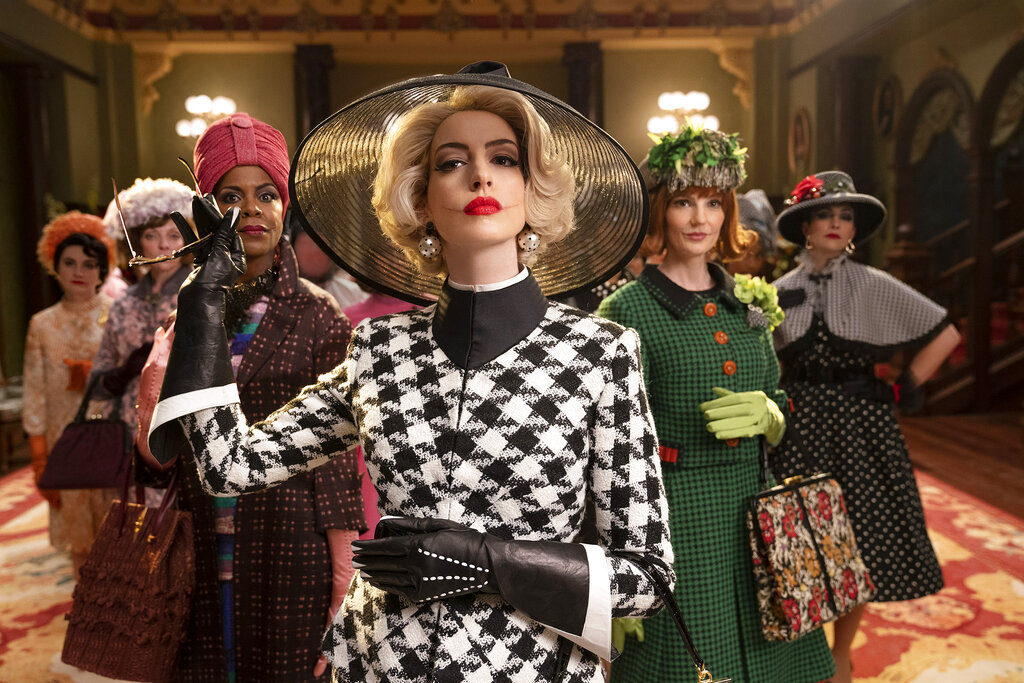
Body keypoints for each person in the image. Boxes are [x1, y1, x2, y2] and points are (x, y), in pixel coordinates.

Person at [148, 62, 673, 683]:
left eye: (504, 159)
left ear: (533, 190)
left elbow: (647, 577)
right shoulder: (379, 347)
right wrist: (204, 305)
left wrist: (484, 559)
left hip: (532, 669)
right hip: (380, 663)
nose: (479, 174)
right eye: (451, 162)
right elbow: (229, 465)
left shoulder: (599, 352)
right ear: (420, 198)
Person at [598, 125, 835, 683]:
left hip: (757, 509)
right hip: (676, 518)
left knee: (773, 666)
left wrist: (773, 417)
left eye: (713, 202)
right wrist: (619, 568)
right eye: (683, 202)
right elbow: (610, 450)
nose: (699, 218)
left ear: (728, 213)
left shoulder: (749, 302)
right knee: (692, 666)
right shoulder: (627, 310)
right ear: (660, 210)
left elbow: (778, 399)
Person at [151, 112, 365, 682]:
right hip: (197, 536)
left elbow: (337, 464)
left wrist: (343, 576)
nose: (251, 210)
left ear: (284, 206)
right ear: (206, 209)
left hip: (288, 540)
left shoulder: (318, 314)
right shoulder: (190, 312)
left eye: (267, 195)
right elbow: (158, 446)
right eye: (231, 196)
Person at [771, 171, 961, 683]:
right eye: (825, 214)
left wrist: (905, 387)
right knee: (803, 539)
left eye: (845, 216)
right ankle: (811, 649)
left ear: (854, 229)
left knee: (858, 540)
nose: (836, 223)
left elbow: (946, 333)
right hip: (799, 426)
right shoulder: (776, 292)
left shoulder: (874, 283)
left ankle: (841, 654)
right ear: (805, 226)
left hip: (861, 426)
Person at [23, 211, 115, 576]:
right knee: (79, 538)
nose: (80, 272)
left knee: (117, 527)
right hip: (64, 441)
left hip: (112, 435)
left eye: (90, 264)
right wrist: (39, 456)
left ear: (102, 269)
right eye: (70, 262)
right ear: (55, 266)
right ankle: (84, 603)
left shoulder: (117, 314)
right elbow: (35, 391)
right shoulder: (42, 324)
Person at [89, 178, 193, 488]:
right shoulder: (123, 302)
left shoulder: (200, 293)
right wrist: (122, 373)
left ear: (189, 240)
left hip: (182, 425)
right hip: (128, 429)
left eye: (174, 235)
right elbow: (98, 381)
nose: (163, 246)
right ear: (137, 241)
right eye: (151, 236)